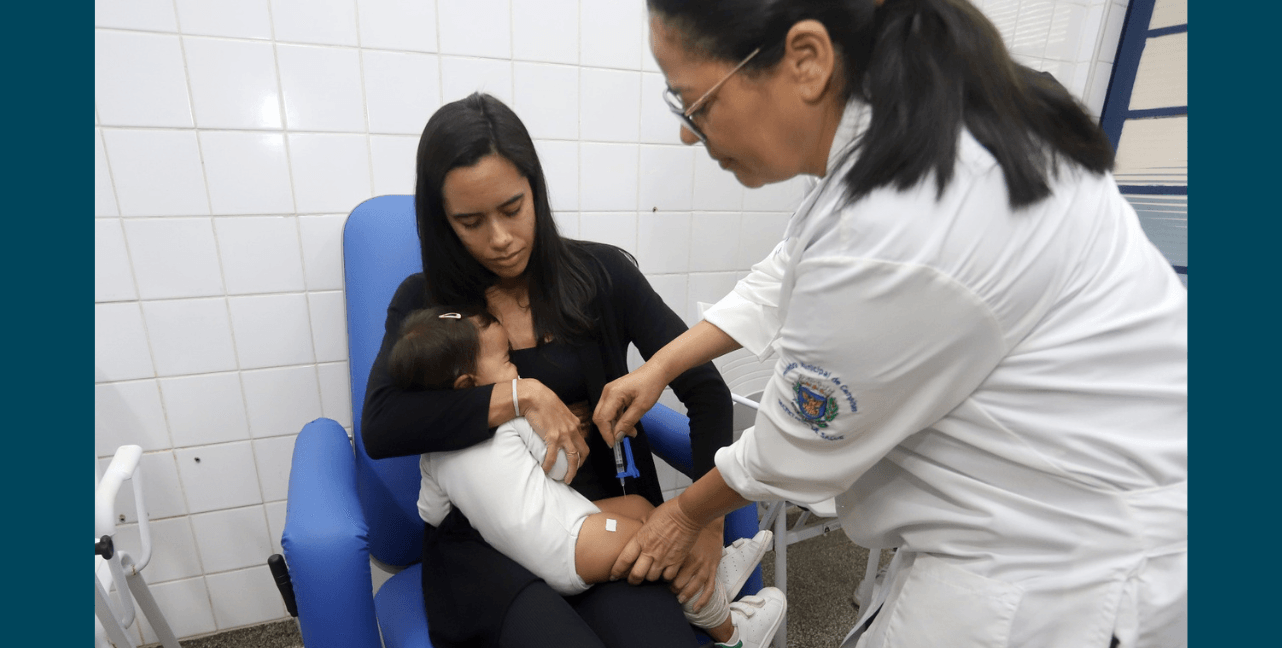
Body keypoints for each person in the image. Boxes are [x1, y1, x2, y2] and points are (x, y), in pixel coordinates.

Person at [593, 1, 1187, 647]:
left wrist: (685, 515)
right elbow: (788, 270)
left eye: (694, 101)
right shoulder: (902, 132)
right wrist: (661, 365)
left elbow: (794, 445)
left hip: (1063, 563)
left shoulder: (901, 219)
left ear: (808, 60)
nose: (688, 132)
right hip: (1037, 510)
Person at [360, 92, 787, 648]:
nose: (500, 238)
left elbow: (704, 389)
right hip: (486, 546)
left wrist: (704, 526)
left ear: (535, 190)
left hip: (597, 519)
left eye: (512, 208)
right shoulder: (429, 307)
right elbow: (382, 424)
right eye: (470, 221)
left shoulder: (603, 274)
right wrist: (522, 397)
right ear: (442, 222)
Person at [386, 304, 781, 647]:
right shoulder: (514, 412)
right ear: (468, 385)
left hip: (559, 531)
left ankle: (711, 575)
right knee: (658, 543)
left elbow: (433, 513)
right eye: (506, 360)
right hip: (569, 546)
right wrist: (565, 431)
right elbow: (560, 468)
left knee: (640, 506)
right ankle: (733, 632)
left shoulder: (433, 453)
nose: (515, 367)